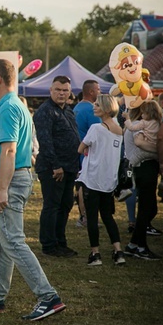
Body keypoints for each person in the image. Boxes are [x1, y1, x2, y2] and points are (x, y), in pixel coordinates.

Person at [0, 59, 65, 320]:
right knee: (1, 243)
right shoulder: (11, 105)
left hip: (10, 180)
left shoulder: (9, 108)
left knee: (12, 241)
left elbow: (9, 150)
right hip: (9, 178)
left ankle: (48, 297)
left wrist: (2, 190)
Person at [33, 75, 80, 258]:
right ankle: (49, 245)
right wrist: (56, 166)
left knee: (65, 205)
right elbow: (46, 142)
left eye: (65, 90)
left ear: (69, 92)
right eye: (58, 90)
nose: (61, 93)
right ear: (51, 90)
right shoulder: (45, 112)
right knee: (52, 206)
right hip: (53, 168)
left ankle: (60, 242)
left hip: (69, 167)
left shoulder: (68, 110)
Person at [76, 94, 126, 266]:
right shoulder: (120, 131)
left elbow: (80, 148)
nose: (93, 107)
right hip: (109, 179)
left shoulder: (96, 128)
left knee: (92, 217)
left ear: (105, 108)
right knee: (108, 216)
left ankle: (95, 253)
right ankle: (118, 251)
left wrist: (88, 150)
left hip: (93, 178)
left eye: (97, 105)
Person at [123, 101, 162, 259]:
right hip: (144, 167)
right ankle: (140, 246)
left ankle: (134, 244)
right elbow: (139, 143)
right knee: (147, 208)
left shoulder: (136, 124)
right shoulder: (140, 124)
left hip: (143, 167)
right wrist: (160, 152)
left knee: (149, 208)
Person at [73, 80, 101, 227]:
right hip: (86, 153)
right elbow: (98, 132)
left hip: (77, 152)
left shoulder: (77, 107)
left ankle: (83, 216)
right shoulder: (91, 110)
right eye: (98, 89)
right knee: (86, 186)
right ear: (91, 92)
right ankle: (86, 218)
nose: (100, 92)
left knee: (80, 185)